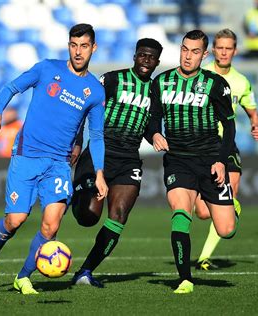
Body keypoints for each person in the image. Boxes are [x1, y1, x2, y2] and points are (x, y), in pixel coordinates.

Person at [0, 23, 108, 295]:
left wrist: (100, 173)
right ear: (68, 45)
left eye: (83, 46)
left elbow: (97, 134)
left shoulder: (95, 91)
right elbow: (11, 87)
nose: (78, 51)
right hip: (27, 155)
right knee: (16, 219)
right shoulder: (47, 69)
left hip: (58, 163)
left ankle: (23, 277)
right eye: (73, 45)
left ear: (93, 48)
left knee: (51, 224)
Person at [69, 38, 163, 287]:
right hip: (100, 154)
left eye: (151, 57)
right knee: (88, 216)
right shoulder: (112, 79)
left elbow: (150, 124)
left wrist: (154, 134)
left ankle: (85, 271)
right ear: (134, 56)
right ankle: (74, 196)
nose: (146, 60)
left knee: (119, 216)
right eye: (142, 55)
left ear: (157, 62)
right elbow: (84, 110)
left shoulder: (155, 91)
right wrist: (77, 142)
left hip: (129, 159)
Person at [149, 29, 237, 294]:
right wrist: (154, 132)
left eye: (195, 51)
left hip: (210, 161)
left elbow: (229, 127)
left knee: (226, 229)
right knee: (180, 212)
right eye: (185, 49)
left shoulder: (215, 84)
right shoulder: (161, 81)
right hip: (178, 161)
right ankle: (184, 278)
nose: (188, 56)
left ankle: (230, 205)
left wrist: (222, 161)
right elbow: (153, 117)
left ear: (205, 54)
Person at [194, 29, 258, 271]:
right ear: (213, 49)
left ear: (235, 50)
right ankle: (233, 205)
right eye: (219, 47)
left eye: (228, 48)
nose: (223, 52)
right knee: (202, 212)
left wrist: (256, 124)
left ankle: (203, 258)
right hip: (201, 145)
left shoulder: (242, 81)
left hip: (227, 146)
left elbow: (252, 111)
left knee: (228, 194)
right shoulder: (201, 75)